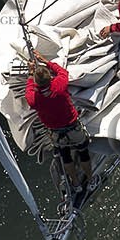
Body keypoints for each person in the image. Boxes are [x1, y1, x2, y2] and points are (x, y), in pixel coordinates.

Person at [25, 53, 93, 202]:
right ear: (50, 78)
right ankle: (90, 179)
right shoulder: (59, 85)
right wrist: (45, 61)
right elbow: (63, 72)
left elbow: (29, 90)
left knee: (66, 157)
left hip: (57, 134)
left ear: (37, 83)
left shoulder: (34, 99)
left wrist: (31, 74)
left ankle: (75, 183)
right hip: (73, 128)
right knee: (83, 153)